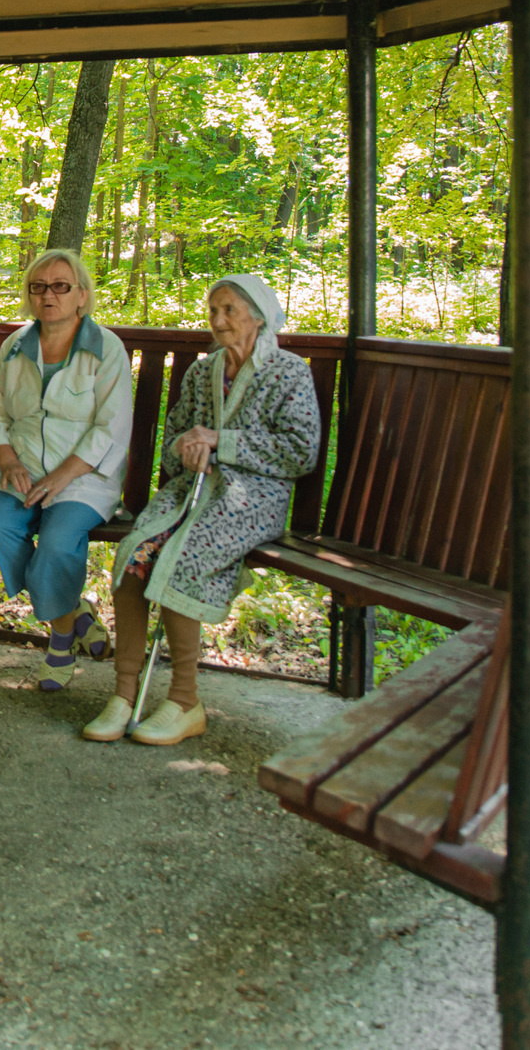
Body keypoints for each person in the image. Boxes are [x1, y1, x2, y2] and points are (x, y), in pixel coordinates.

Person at [83, 271, 320, 746]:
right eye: (213, 310)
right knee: (134, 555)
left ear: (258, 316)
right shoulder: (202, 371)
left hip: (251, 501)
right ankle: (125, 694)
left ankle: (186, 701)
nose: (218, 319)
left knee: (181, 559)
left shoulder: (288, 371)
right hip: (189, 492)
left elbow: (300, 452)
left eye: (229, 309)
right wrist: (187, 447)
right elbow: (175, 439)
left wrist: (222, 443)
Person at [0, 248, 133, 693]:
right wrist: (6, 459)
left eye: (61, 286)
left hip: (82, 479)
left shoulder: (106, 349)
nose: (49, 295)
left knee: (58, 545)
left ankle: (60, 642)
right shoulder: (16, 345)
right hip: (21, 471)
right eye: (38, 287)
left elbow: (112, 428)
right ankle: (74, 613)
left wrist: (61, 477)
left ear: (82, 295)